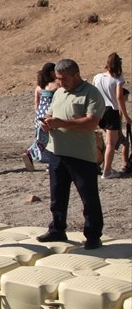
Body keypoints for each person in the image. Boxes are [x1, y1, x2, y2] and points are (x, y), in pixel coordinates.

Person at [37, 59, 105, 250]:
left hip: (81, 155)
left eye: (64, 79)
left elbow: (92, 122)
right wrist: (47, 122)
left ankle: (93, 235)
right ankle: (57, 228)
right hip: (56, 152)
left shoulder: (91, 93)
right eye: (58, 79)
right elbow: (51, 115)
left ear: (76, 74)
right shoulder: (59, 92)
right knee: (57, 196)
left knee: (89, 198)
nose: (61, 82)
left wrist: (62, 123)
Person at [92, 53, 129, 179]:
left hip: (99, 109)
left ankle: (105, 166)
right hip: (111, 110)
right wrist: (125, 115)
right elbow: (119, 97)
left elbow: (93, 93)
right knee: (111, 144)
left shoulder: (97, 77)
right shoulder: (118, 78)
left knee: (106, 140)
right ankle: (106, 171)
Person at [25, 62, 60, 170]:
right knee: (51, 139)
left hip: (39, 114)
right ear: (51, 72)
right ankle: (50, 162)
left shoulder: (39, 86)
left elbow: (36, 103)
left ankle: (30, 153)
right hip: (49, 114)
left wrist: (38, 115)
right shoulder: (57, 85)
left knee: (41, 139)